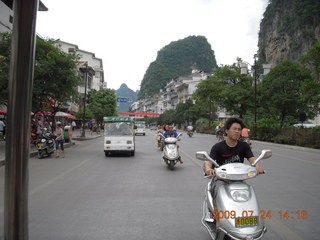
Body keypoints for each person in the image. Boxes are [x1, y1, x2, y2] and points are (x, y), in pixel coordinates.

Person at [204, 117, 264, 197]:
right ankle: (215, 208)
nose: (237, 131)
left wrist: (257, 167)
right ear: (227, 131)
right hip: (221, 179)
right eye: (234, 129)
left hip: (239, 179)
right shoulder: (217, 147)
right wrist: (208, 168)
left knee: (248, 194)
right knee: (218, 193)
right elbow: (209, 161)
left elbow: (252, 158)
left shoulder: (244, 146)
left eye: (239, 129)